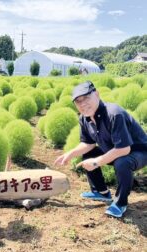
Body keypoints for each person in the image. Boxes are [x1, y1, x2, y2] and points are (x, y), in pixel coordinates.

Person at [54, 81, 147, 218]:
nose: (83, 104)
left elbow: (123, 149)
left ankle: (120, 203)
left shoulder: (114, 114)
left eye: (86, 98)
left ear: (97, 94)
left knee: (122, 162)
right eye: (78, 101)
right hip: (116, 150)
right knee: (89, 153)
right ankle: (101, 192)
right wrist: (70, 154)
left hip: (138, 152)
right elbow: (88, 144)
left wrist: (97, 162)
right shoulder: (84, 118)